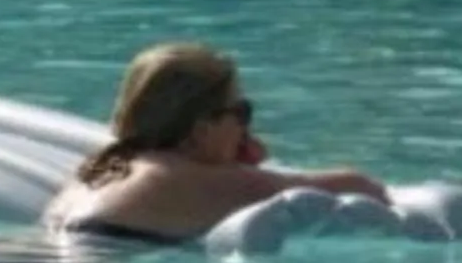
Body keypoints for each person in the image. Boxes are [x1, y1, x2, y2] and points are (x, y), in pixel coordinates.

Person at [41, 42, 392, 247]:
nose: (245, 126)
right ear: (202, 127)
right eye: (241, 112)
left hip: (33, 257)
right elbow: (364, 187)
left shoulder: (105, 166)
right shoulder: (195, 180)